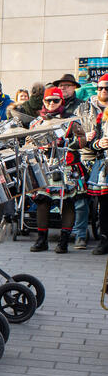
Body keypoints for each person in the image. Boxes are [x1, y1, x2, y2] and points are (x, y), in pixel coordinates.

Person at [29, 86, 85, 253]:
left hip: (66, 165)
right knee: (42, 201)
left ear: (62, 101)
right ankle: (41, 240)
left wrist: (64, 143)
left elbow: (82, 141)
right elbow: (28, 143)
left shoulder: (71, 120)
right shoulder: (36, 123)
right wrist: (38, 146)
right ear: (44, 102)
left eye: (55, 100)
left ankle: (64, 241)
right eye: (48, 100)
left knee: (68, 202)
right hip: (44, 165)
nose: (52, 103)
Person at [75, 81, 108, 250]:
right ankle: (102, 240)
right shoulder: (85, 109)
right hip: (96, 159)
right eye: (100, 87)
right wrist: (97, 143)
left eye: (107, 88)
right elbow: (84, 137)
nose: (103, 91)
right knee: (101, 201)